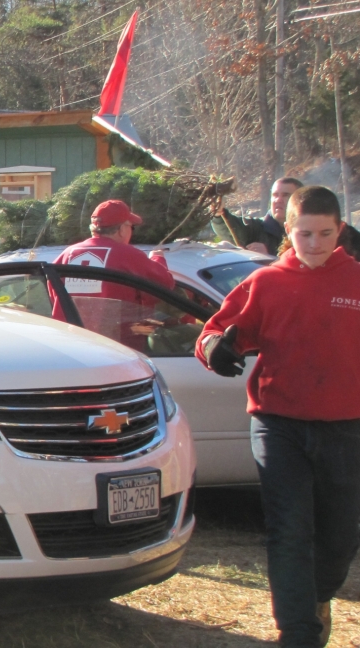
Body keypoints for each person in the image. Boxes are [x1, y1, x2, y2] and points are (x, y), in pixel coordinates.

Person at [196, 186, 360, 648]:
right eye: (304, 234)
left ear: (340, 231)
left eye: (325, 234)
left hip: (346, 426)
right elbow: (213, 332)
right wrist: (217, 349)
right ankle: (298, 632)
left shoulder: (357, 281)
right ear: (288, 231)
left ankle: (318, 596)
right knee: (290, 529)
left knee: (340, 536)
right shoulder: (266, 282)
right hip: (277, 422)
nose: (314, 244)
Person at [52, 199, 175, 350]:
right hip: (117, 349)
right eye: (131, 227)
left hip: (70, 346)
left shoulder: (67, 254)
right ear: (121, 229)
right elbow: (165, 286)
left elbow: (53, 294)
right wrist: (158, 258)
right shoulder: (128, 255)